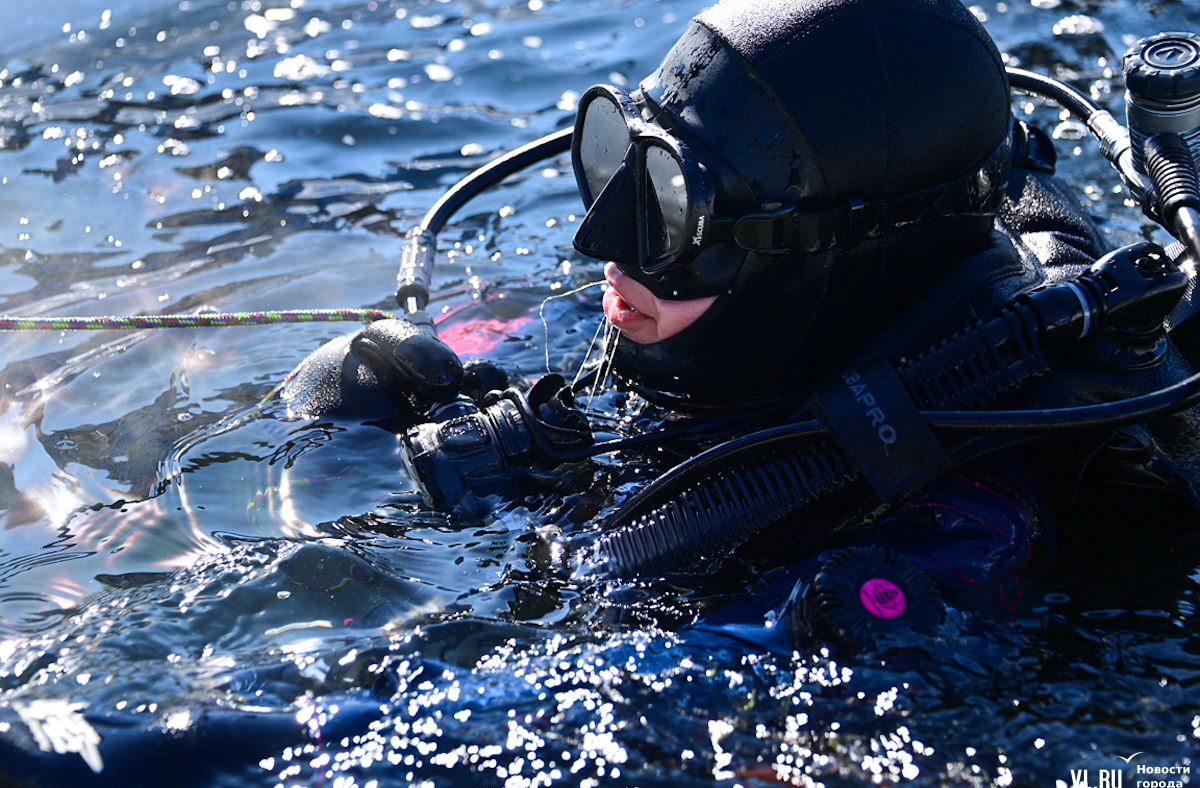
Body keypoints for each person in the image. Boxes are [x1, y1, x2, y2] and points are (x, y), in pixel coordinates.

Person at [284, 0, 1200, 650]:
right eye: (622, 166)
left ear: (832, 256)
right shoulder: (683, 308)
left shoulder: (960, 525)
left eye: (674, 204)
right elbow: (480, 346)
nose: (602, 240)